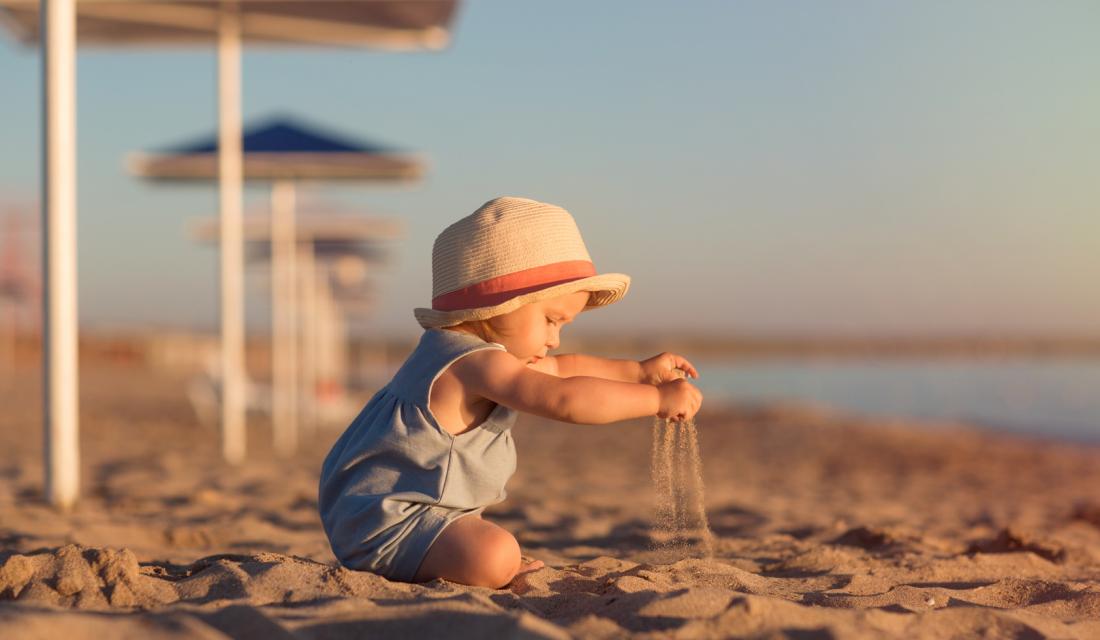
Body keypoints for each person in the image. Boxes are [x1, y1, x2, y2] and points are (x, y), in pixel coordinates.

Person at [318, 196, 703, 589]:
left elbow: (564, 369)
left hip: (392, 513)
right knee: (496, 555)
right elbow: (564, 398)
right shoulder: (473, 363)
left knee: (491, 546)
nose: (555, 339)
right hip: (392, 523)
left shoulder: (459, 352)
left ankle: (456, 553)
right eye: (551, 320)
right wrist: (656, 401)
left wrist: (637, 372)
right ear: (499, 305)